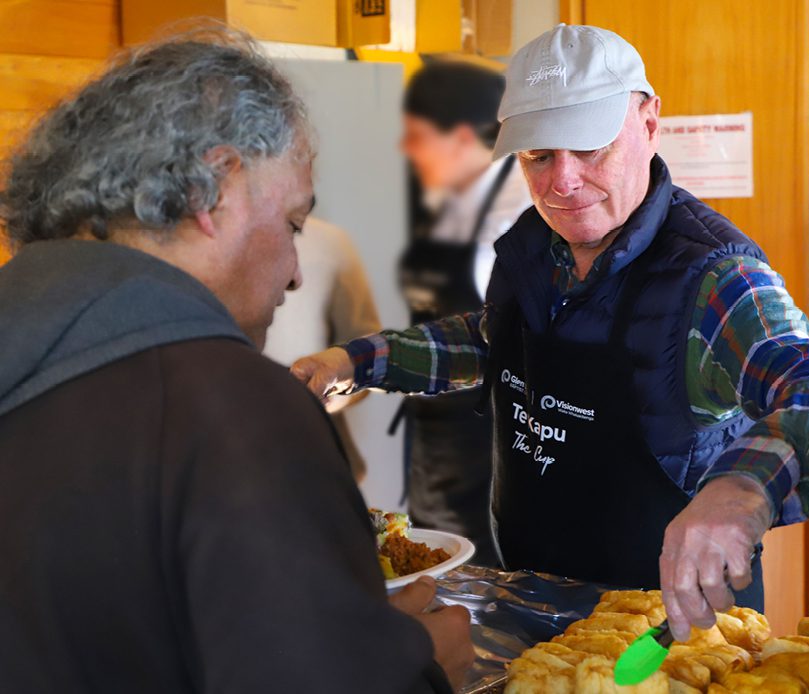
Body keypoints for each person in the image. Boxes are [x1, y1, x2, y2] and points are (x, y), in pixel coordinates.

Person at [293, 24, 809, 642]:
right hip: (528, 599)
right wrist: (352, 363)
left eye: (589, 149)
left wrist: (743, 490)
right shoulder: (537, 249)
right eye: (538, 155)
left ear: (648, 122)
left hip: (668, 635)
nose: (562, 181)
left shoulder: (717, 278)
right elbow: (493, 341)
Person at [0, 29, 472, 693]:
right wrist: (417, 670)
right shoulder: (230, 405)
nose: (295, 274)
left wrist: (345, 631)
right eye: (294, 225)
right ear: (212, 190)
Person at [395, 60, 532, 565]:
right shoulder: (451, 204)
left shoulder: (514, 216)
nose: (404, 150)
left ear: (459, 138)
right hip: (437, 453)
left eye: (416, 136)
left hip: (490, 466)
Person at [264, 216, 380, 482]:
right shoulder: (199, 240)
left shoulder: (331, 243)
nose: (295, 281)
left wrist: (333, 393)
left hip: (318, 456)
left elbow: (366, 349)